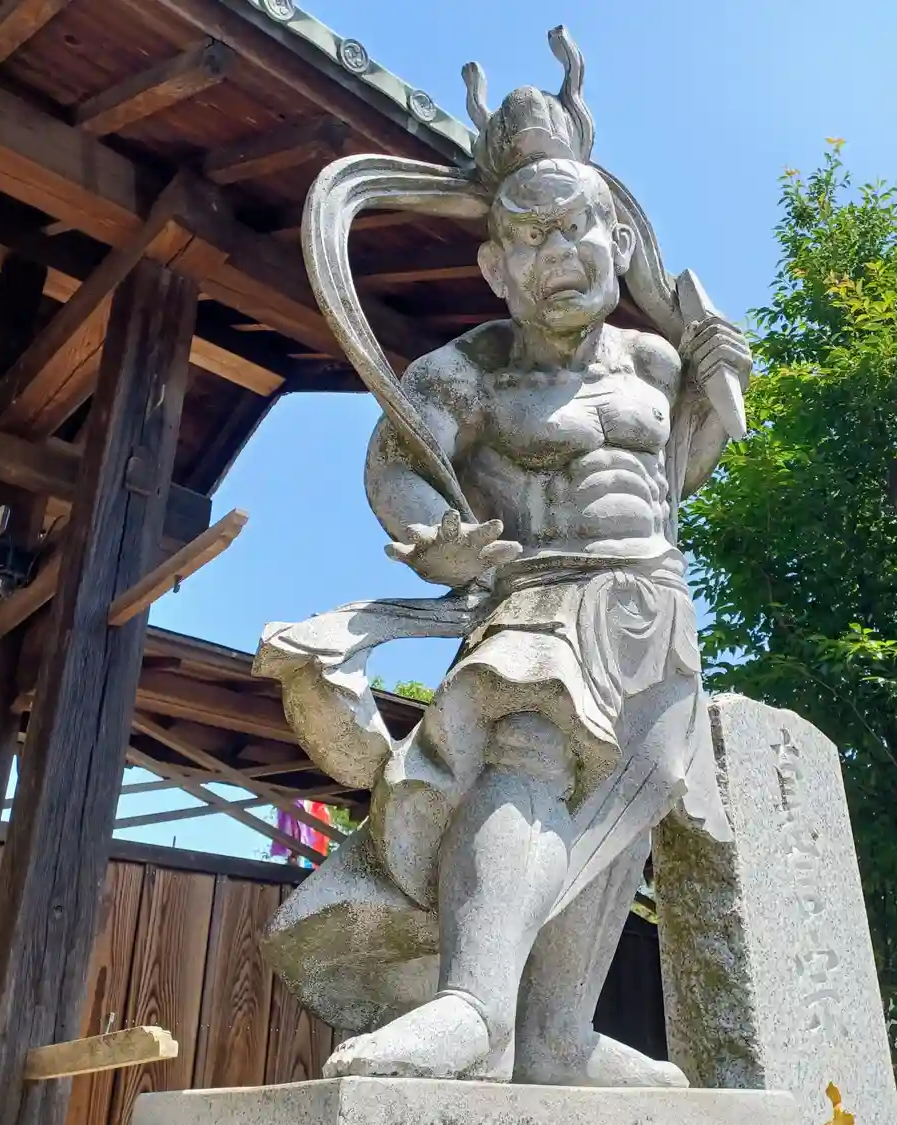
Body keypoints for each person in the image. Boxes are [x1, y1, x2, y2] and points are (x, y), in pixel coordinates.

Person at [255, 27, 751, 1088]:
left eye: (576, 228)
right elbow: (398, 463)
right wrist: (435, 536)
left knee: (619, 814)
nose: (557, 255)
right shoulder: (469, 370)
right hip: (537, 599)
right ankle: (475, 1004)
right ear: (493, 266)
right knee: (528, 745)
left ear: (618, 236)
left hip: (652, 606)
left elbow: (671, 482)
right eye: (527, 239)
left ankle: (557, 1036)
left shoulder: (657, 362)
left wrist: (717, 395)